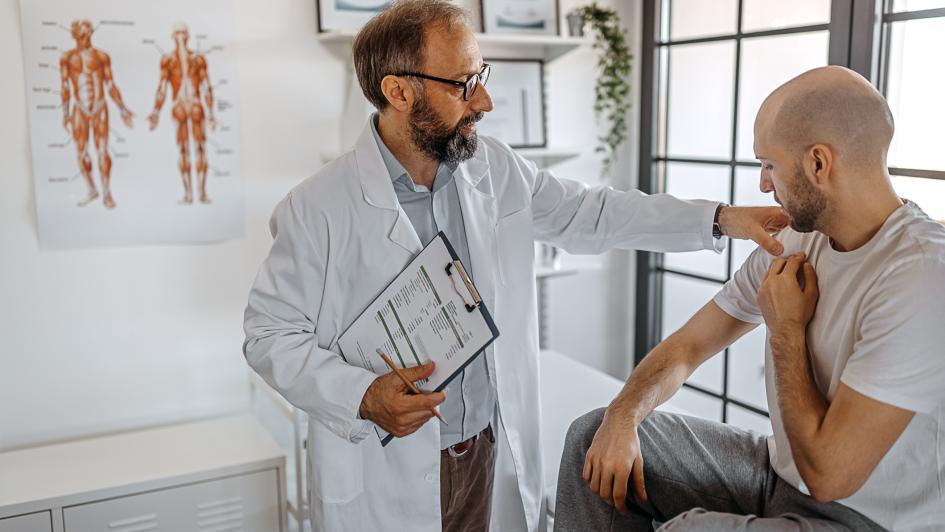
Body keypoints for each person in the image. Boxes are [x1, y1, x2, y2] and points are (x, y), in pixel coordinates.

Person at [242, 1, 787, 530]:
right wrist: (360, 395)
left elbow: (591, 213)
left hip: (485, 450)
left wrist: (721, 219)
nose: (485, 102)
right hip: (385, 471)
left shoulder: (493, 168)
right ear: (399, 91)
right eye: (463, 85)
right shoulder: (315, 208)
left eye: (481, 75)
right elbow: (269, 335)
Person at [555, 66, 945, 532]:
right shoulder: (799, 239)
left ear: (819, 163)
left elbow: (829, 476)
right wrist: (622, 416)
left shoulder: (922, 276)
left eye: (769, 164)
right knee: (592, 440)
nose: (763, 185)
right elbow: (688, 347)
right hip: (778, 477)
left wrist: (786, 331)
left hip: (867, 519)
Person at [60, 19, 134, 209]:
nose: (86, 38)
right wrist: (66, 114)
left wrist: (122, 108)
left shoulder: (102, 57)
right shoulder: (67, 58)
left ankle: (107, 193)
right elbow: (65, 87)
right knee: (82, 152)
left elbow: (110, 84)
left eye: (88, 33)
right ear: (75, 35)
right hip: (80, 109)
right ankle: (91, 189)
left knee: (102, 151)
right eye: (82, 34)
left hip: (100, 106)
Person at [147, 23, 217, 204]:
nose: (180, 36)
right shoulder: (168, 60)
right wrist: (155, 112)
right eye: (177, 33)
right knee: (183, 149)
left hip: (195, 104)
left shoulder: (198, 59)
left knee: (200, 149)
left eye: (183, 32)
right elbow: (162, 87)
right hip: (179, 105)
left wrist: (211, 114)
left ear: (188, 35)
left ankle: (201, 192)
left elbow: (206, 87)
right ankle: (188, 193)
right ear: (173, 36)